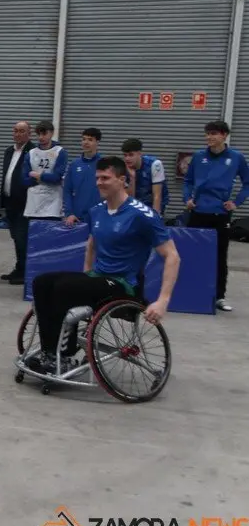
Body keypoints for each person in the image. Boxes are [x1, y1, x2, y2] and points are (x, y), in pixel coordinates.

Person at [28, 156, 180, 374]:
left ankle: (64, 356)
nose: (99, 182)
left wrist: (163, 301)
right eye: (97, 178)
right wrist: (86, 273)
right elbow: (92, 243)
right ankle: (49, 351)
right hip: (98, 278)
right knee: (42, 282)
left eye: (105, 178)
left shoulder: (142, 215)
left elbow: (173, 256)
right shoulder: (97, 211)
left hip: (123, 285)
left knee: (64, 288)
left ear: (122, 180)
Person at [183, 120, 249, 312]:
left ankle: (219, 296)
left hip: (220, 215)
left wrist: (236, 202)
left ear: (224, 135)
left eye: (213, 133)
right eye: (207, 133)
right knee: (192, 254)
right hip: (198, 213)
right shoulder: (198, 156)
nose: (209, 137)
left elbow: (247, 183)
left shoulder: (236, 157)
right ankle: (190, 291)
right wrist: (188, 198)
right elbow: (188, 181)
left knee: (220, 256)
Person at [0, 121, 36, 284]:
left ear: (29, 133)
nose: (18, 134)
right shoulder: (9, 151)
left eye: (22, 131)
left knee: (22, 238)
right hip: (10, 201)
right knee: (15, 237)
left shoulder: (33, 151)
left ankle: (24, 271)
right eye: (15, 131)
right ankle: (19, 268)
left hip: (24, 202)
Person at [22, 120, 68, 220]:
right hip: (34, 205)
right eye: (39, 134)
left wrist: (39, 176)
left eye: (44, 134)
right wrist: (45, 178)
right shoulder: (31, 153)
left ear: (51, 133)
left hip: (53, 206)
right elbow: (24, 180)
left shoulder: (60, 152)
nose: (41, 137)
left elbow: (57, 178)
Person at [62, 127, 103, 226]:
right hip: (77, 218)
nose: (86, 142)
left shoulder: (104, 164)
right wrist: (69, 213)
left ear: (97, 142)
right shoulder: (74, 165)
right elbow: (67, 190)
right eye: (84, 139)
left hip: (100, 217)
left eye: (90, 140)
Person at [121, 138, 169, 216]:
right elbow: (130, 199)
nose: (127, 159)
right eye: (125, 155)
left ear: (139, 154)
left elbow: (157, 195)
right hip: (138, 205)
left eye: (131, 155)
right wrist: (132, 177)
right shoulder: (124, 168)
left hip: (154, 204)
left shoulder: (155, 164)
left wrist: (155, 217)